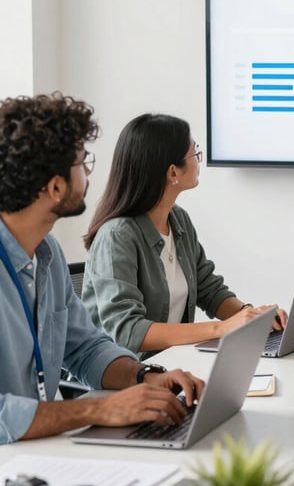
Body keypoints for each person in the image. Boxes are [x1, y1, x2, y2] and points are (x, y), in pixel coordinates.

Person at [0, 93, 204, 444]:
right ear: (56, 187)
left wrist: (146, 377)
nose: (90, 172)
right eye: (83, 163)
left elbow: (86, 349)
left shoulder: (47, 252)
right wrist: (98, 410)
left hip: (36, 450)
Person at [82, 114, 287, 360]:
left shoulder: (178, 220)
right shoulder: (117, 237)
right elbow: (127, 331)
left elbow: (209, 290)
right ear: (173, 172)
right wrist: (221, 328)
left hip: (172, 362)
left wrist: (252, 317)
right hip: (128, 371)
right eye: (194, 153)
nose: (199, 160)